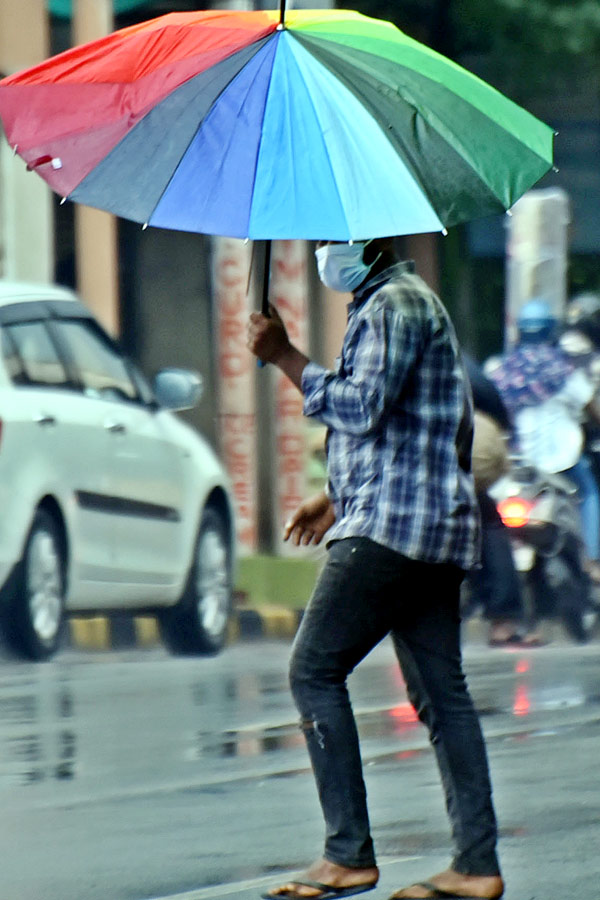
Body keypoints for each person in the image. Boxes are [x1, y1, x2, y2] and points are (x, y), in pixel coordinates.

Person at [247, 238, 504, 900]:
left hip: (392, 531)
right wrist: (335, 498)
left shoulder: (393, 304)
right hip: (427, 526)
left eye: (337, 238)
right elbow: (410, 429)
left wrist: (285, 357)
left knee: (313, 671)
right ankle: (475, 865)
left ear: (377, 242)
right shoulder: (402, 304)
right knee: (444, 697)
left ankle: (347, 853)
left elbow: (360, 408)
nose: (328, 251)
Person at [490, 298, 600, 583]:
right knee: (590, 492)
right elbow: (591, 405)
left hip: (516, 464)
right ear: (551, 330)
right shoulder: (562, 369)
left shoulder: (503, 370)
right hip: (561, 461)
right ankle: (592, 559)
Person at [463, 355, 543, 647]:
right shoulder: (459, 363)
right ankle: (503, 622)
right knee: (491, 529)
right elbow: (499, 416)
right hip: (462, 462)